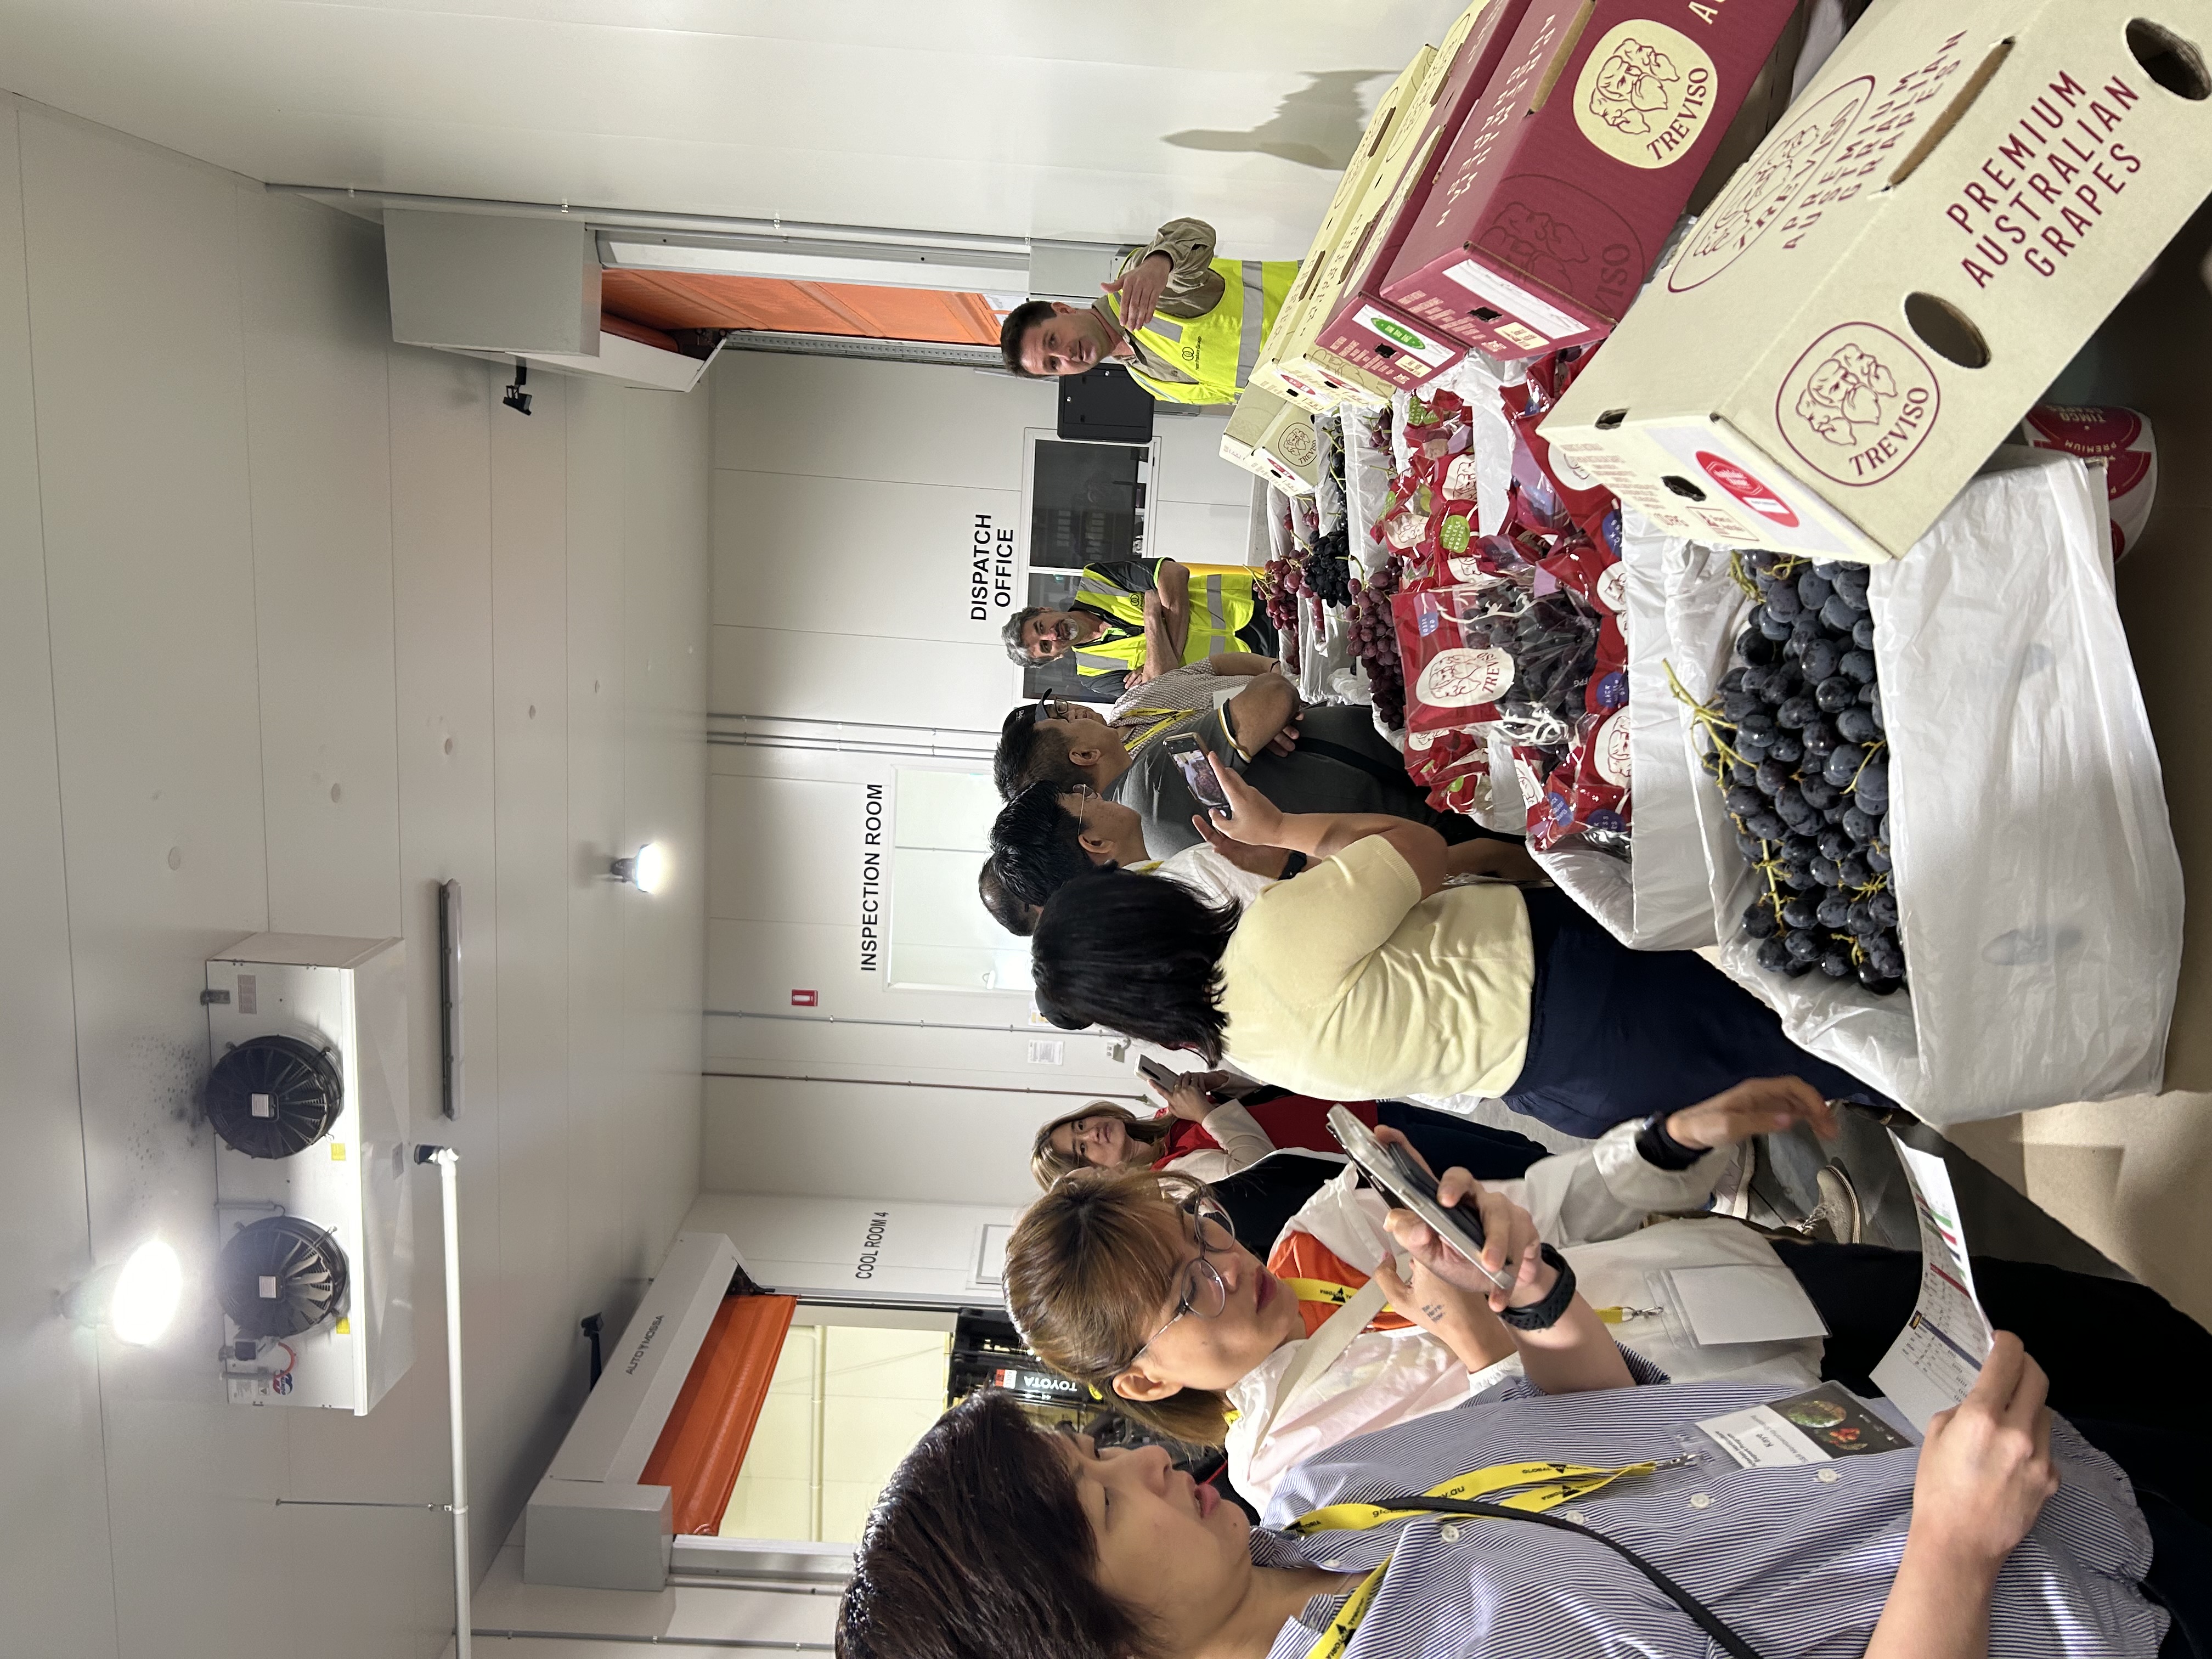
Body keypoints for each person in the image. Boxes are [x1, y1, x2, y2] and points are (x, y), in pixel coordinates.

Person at [1007, 1082, 2212, 1510]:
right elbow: (1577, 1502)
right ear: (1146, 1378)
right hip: (1790, 1444)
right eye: (1181, 1290)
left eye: (1197, 1227)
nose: (1226, 1267)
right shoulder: (1297, 1481)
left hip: (1758, 1288)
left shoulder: (1328, 1219)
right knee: (2108, 1462)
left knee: (2096, 1325)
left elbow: (1553, 1200)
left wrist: (1675, 1140)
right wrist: (1485, 1346)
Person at [838, 1351, 2194, 1659]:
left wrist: (1546, 1322)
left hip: (2023, 1458)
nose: (1145, 1463)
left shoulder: (1320, 1497)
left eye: (1096, 1444)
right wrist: (1955, 1546)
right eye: (1094, 1495)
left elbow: (1610, 1441)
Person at [1029, 757, 1891, 1136]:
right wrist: (1286, 828)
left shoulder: (1248, 1045)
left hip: (1567, 1082)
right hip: (1598, 995)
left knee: (1846, 1054)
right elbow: (1419, 849)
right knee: (1855, 1004)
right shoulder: (1266, 947)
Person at [994, 678, 1507, 863]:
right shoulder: (1153, 777)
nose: (1075, 712)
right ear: (1082, 759)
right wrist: (1269, 704)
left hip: (1403, 826)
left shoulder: (1153, 841)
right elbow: (1273, 697)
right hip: (1411, 781)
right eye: (1064, 723)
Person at [979, 778, 1537, 936]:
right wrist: (1280, 831)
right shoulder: (1192, 878)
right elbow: (1368, 874)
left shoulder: (1158, 896)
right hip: (1457, 923)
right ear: (1093, 845)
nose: (1091, 792)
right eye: (1079, 800)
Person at [1000, 216, 1297, 404]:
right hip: (1321, 370)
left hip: (1323, 310)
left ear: (1063, 309)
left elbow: (1196, 234)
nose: (1066, 356)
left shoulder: (1138, 289)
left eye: (1052, 341)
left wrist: (1159, 262)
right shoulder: (1148, 382)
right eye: (1053, 365)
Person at [1030, 1084, 1547, 1190]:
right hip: (1366, 1155)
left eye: (1079, 1125)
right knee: (1512, 1170)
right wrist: (1209, 1113)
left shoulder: (1169, 1120)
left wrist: (1218, 1089)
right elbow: (1264, 1167)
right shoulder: (1173, 1180)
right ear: (1094, 1175)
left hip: (1359, 1111)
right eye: (1082, 1150)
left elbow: (1263, 1098)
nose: (1091, 1134)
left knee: (1510, 1146)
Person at [1004, 559, 1278, 686]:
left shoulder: (1097, 580)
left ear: (1044, 610)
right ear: (1054, 658)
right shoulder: (1094, 676)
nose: (1052, 636)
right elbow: (1163, 687)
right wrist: (1152, 617)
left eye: (1041, 627)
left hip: (1260, 600)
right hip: (1251, 662)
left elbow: (1173, 573)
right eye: (1045, 646)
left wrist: (1161, 659)